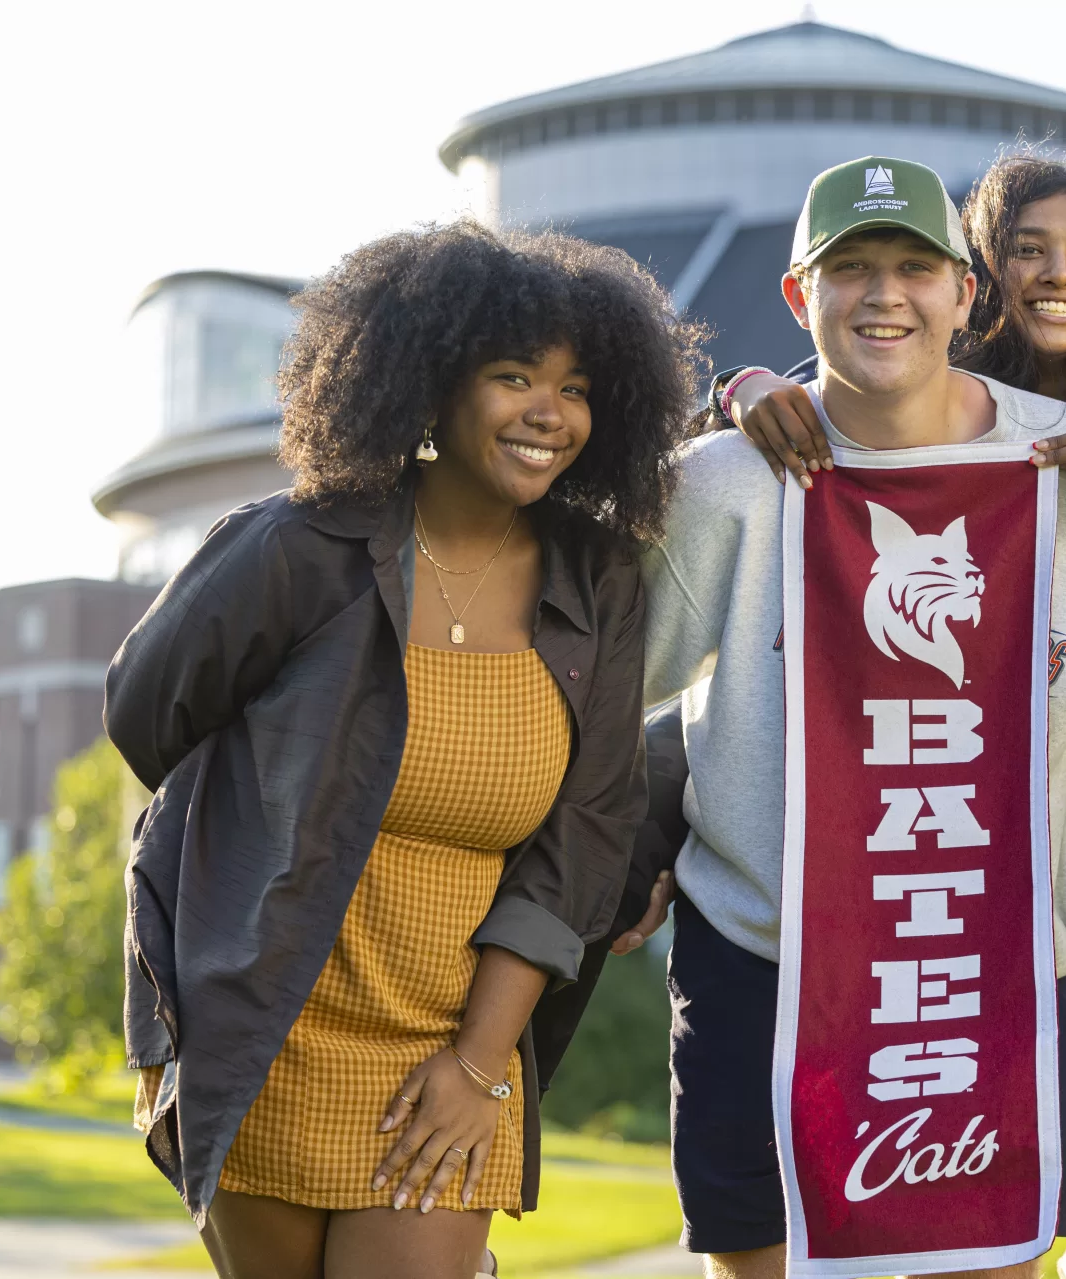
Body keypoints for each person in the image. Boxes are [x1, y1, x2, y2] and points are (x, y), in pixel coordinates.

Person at [652, 156, 1066, 1279]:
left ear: (962, 294)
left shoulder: (1054, 464)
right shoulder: (726, 481)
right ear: (799, 297)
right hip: (767, 975)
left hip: (976, 991)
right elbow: (597, 693)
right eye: (851, 270)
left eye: (914, 268)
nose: (885, 295)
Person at [106, 223, 697, 1279]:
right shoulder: (301, 546)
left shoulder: (598, 580)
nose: (547, 413)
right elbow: (148, 714)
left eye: (575, 387)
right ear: (431, 383)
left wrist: (476, 1066)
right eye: (512, 375)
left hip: (451, 1049)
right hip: (268, 1030)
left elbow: (589, 834)